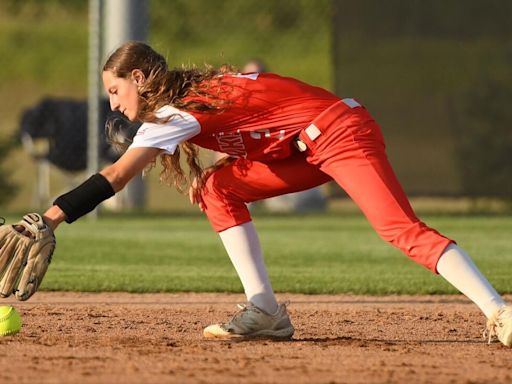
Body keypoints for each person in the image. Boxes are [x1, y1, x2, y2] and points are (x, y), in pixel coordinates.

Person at [39, 41, 511, 345]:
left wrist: (49, 218)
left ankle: (499, 312)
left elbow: (117, 177)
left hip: (340, 132)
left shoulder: (179, 112)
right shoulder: (191, 96)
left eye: (116, 90)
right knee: (217, 186)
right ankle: (265, 309)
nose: (114, 103)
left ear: (139, 79)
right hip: (302, 147)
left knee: (398, 229)